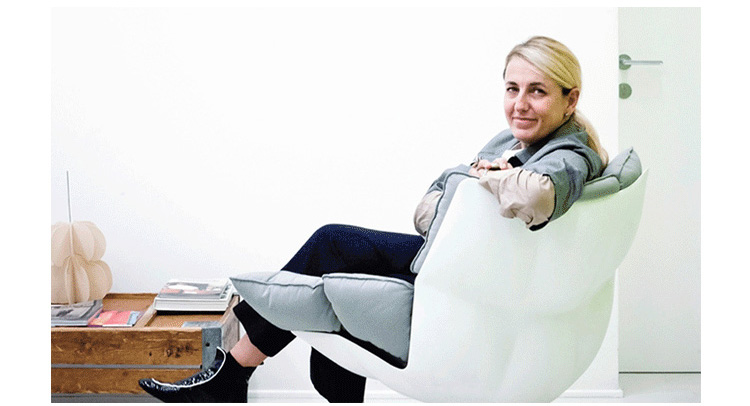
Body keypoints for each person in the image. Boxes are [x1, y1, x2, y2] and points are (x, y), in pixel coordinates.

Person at [138, 35, 608, 403]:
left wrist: (488, 176)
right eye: (512, 89)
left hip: (468, 282)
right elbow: (429, 207)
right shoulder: (518, 139)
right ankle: (234, 374)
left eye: (537, 91)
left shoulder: (569, 153)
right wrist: (476, 180)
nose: (520, 104)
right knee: (335, 267)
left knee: (332, 247)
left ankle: (232, 372)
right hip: (453, 262)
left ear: (570, 99)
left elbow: (537, 196)